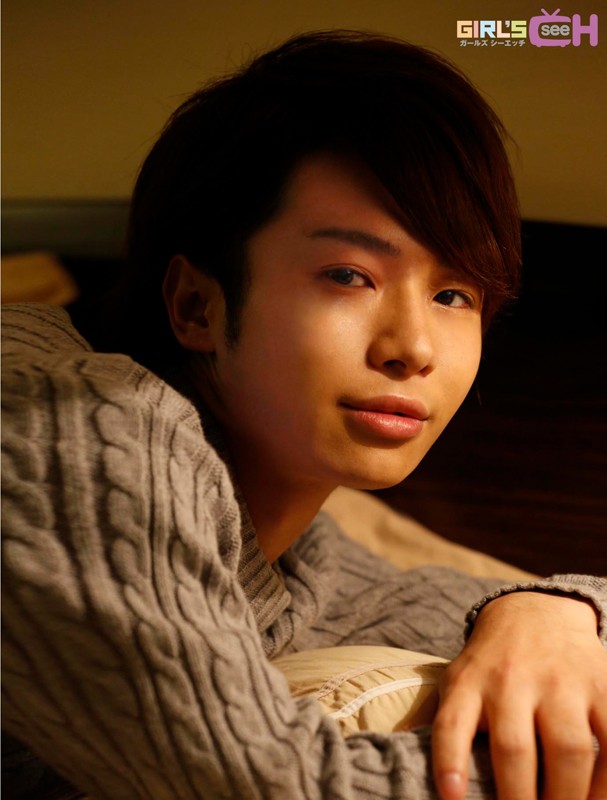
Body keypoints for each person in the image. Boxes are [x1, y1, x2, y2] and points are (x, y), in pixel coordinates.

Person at [2, 30, 606, 800]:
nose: (412, 348)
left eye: (452, 294)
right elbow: (264, 785)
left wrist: (547, 610)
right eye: (348, 276)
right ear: (196, 305)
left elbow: (436, 598)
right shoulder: (75, 425)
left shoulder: (301, 552)